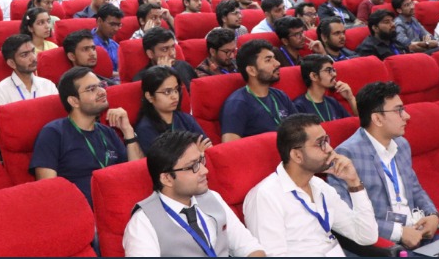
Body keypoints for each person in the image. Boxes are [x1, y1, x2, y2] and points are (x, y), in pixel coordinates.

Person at [329, 82, 439, 255]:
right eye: (399, 110)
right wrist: (399, 233)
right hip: (385, 247)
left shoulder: (401, 145)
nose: (407, 116)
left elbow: (415, 189)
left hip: (418, 235)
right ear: (377, 118)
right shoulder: (347, 155)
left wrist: (433, 215)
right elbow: (348, 217)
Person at [243, 114, 378, 256]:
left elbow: (366, 236)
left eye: (327, 140)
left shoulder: (319, 186)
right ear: (297, 155)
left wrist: (354, 182)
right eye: (320, 143)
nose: (329, 149)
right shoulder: (266, 196)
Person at [123, 131, 265, 257]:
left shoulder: (213, 197)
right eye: (193, 166)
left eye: (201, 161)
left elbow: (250, 248)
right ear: (167, 178)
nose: (204, 171)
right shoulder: (143, 223)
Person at [29, 67, 143, 207]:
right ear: (74, 101)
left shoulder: (108, 132)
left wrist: (128, 132)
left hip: (122, 204)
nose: (101, 91)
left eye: (101, 85)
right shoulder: (53, 133)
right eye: (91, 89)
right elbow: (48, 190)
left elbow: (137, 175)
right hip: (82, 211)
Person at [220, 40, 298, 142]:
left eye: (274, 58)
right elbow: (230, 146)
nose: (278, 63)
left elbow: (300, 127)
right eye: (268, 60)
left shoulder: (280, 95)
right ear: (252, 70)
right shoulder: (237, 103)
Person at [134, 66, 211, 153]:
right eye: (167, 92)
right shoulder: (145, 128)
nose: (174, 96)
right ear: (149, 97)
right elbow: (163, 160)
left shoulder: (186, 119)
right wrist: (196, 152)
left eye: (176, 90)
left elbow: (207, 147)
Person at [0, 34, 58, 115]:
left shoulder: (48, 85)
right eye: (25, 55)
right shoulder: (0, 91)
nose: (33, 58)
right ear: (12, 63)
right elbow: (4, 121)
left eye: (33, 51)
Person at [132, 27, 198, 91]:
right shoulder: (142, 79)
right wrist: (165, 72)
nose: (172, 53)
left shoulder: (183, 66)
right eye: (165, 49)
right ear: (150, 54)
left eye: (173, 47)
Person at [293, 54, 355, 121]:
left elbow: (356, 123)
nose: (334, 74)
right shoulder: (299, 106)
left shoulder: (332, 102)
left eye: (333, 70)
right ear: (314, 76)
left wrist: (350, 98)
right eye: (328, 70)